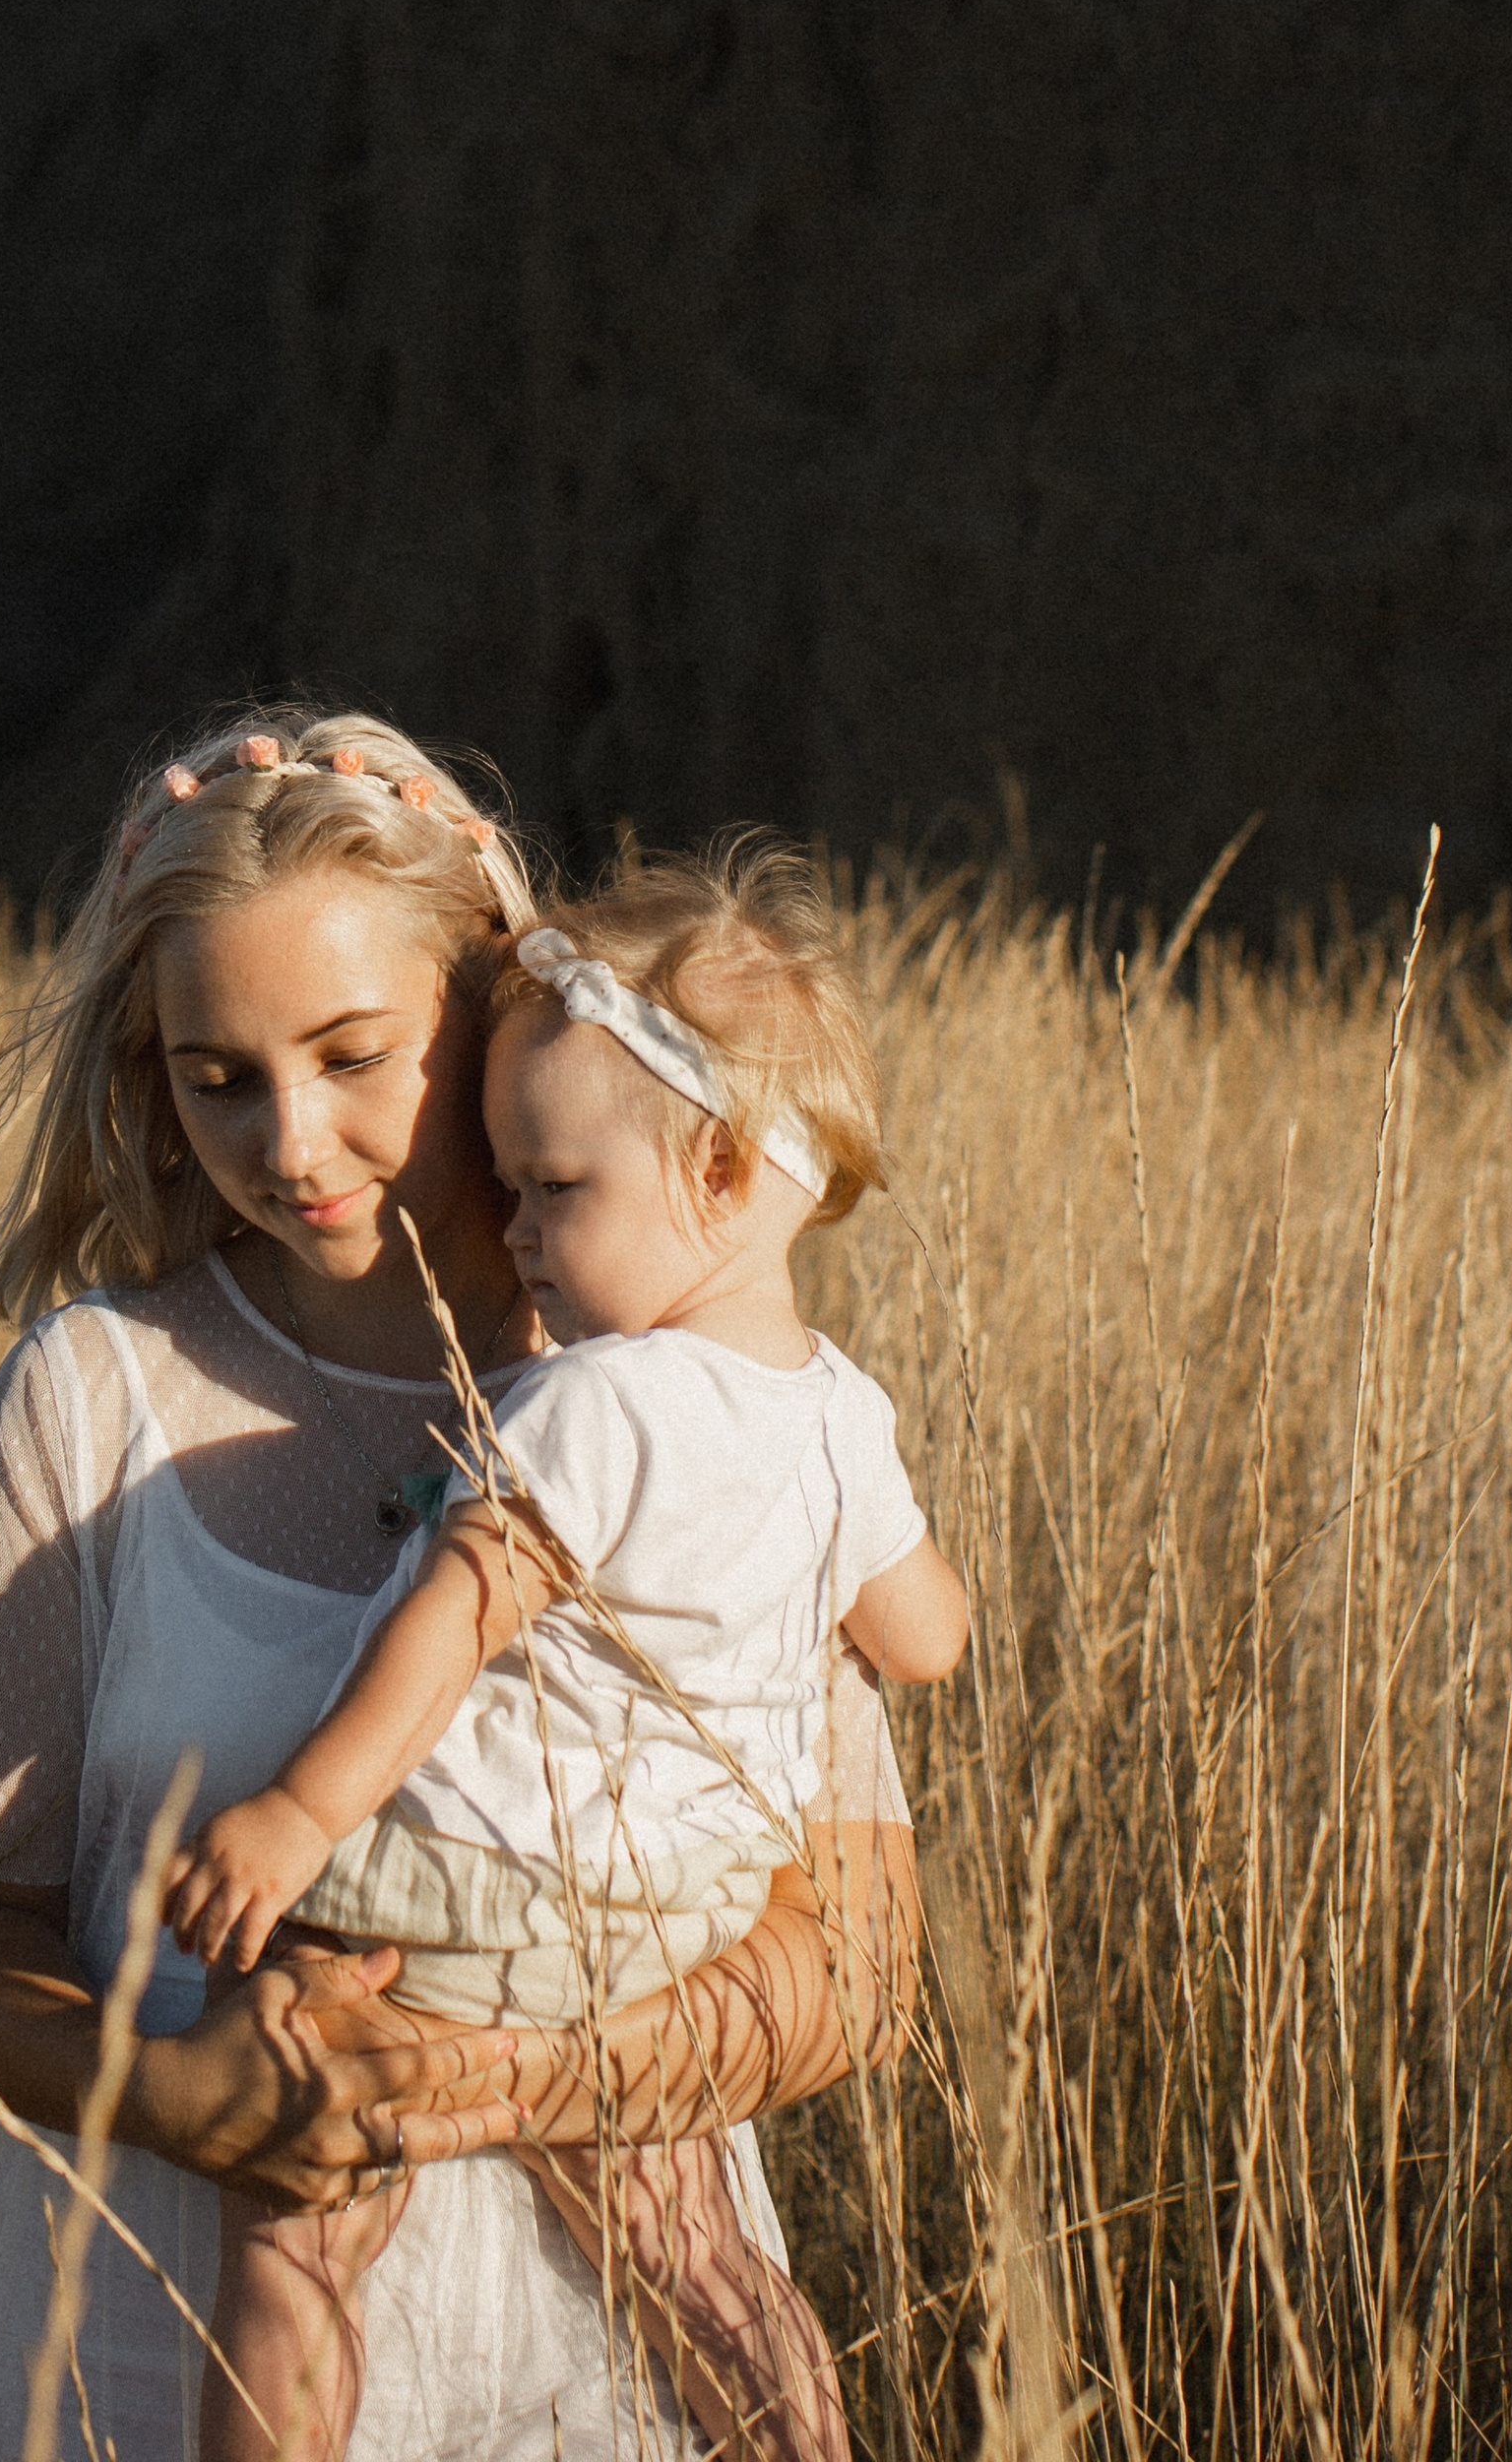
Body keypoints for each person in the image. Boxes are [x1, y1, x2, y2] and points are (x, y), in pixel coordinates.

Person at [0, 712, 922, 2462]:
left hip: (612, 2366)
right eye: (218, 1077)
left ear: (496, 1013)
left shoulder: (704, 1402)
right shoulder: (93, 1401)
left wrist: (502, 2083)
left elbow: (863, 1958)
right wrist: (192, 2097)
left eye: (358, 1055)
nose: (290, 1142)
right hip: (159, 2342)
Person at [163, 857, 971, 2462]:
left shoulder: (595, 1403)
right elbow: (928, 1640)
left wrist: (303, 1817)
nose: (517, 1230)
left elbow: (453, 1621)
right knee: (702, 2263)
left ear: (729, 1168)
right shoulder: (842, 1418)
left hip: (463, 1887)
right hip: (670, 1926)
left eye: (556, 1189)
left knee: (299, 2232)